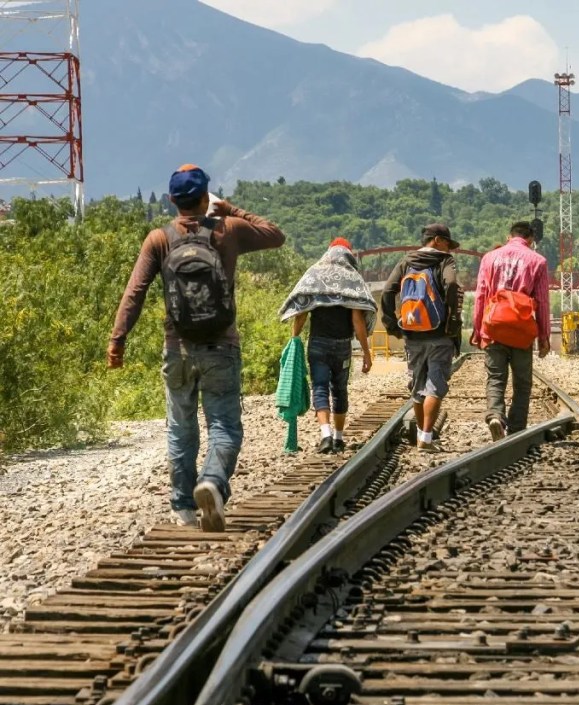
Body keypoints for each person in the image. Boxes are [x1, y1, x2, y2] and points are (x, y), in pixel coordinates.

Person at [107, 164, 286, 531]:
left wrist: (117, 341)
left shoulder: (158, 239)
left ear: (172, 201)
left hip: (177, 348)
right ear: (206, 197)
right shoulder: (228, 230)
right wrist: (232, 209)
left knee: (181, 428)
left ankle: (184, 508)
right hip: (221, 346)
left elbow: (135, 292)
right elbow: (275, 235)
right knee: (224, 426)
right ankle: (213, 482)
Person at [279, 237, 376, 454]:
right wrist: (367, 353)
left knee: (320, 387)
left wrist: (294, 339)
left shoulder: (315, 275)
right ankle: (339, 438)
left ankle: (325, 435)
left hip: (317, 345)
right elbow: (358, 321)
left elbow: (302, 311)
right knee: (339, 390)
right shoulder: (353, 279)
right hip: (342, 346)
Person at [380, 223, 462, 452]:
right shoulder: (445, 261)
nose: (449, 248)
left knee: (417, 387)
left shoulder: (406, 261)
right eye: (447, 242)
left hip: (412, 333)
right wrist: (453, 320)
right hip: (439, 334)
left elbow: (388, 290)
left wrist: (391, 324)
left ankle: (420, 435)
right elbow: (452, 284)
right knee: (435, 385)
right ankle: (425, 438)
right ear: (436, 240)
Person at [471, 221, 551, 440]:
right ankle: (517, 430)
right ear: (531, 240)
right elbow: (542, 301)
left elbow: (480, 295)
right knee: (522, 382)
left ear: (509, 236)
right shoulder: (538, 261)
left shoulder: (489, 258)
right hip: (522, 330)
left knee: (496, 377)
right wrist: (544, 336)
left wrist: (478, 329)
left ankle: (495, 414)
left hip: (494, 326)